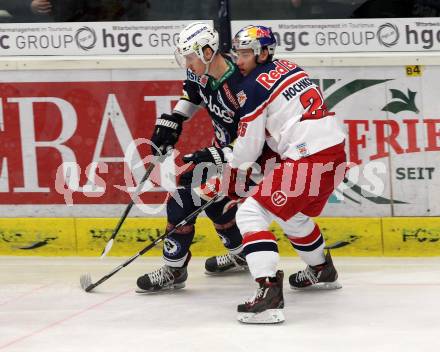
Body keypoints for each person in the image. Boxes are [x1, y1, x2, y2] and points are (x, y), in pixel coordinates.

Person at [225, 25, 347, 323]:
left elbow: (248, 148)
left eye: (245, 54)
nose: (238, 60)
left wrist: (229, 162)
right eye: (237, 53)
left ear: (263, 53)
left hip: (309, 157)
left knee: (250, 214)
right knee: (291, 214)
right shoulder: (290, 67)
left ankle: (268, 295)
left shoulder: (252, 86)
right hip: (335, 152)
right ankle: (322, 269)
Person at [135, 22, 248, 293]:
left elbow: (254, 135)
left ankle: (174, 269)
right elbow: (192, 94)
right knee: (212, 202)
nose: (187, 63)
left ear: (208, 52)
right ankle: (242, 251)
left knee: (183, 199)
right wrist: (175, 119)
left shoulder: (241, 85)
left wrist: (221, 155)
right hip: (222, 152)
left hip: (246, 158)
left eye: (190, 57)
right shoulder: (201, 72)